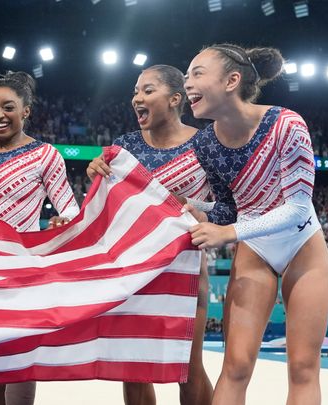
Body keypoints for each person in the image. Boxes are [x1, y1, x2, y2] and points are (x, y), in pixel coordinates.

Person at [183, 43, 328, 405]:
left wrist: (229, 233)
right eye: (186, 76)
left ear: (232, 80)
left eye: (197, 73)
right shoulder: (205, 143)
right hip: (256, 246)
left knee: (302, 367)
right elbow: (228, 210)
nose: (187, 84)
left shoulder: (286, 123)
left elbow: (296, 208)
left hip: (302, 243)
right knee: (235, 366)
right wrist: (191, 205)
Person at [86, 64, 217, 405]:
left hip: (185, 267)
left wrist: (200, 209)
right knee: (134, 368)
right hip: (134, 270)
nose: (136, 98)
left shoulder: (206, 142)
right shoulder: (124, 146)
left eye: (147, 90)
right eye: (135, 91)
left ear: (176, 99)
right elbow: (112, 209)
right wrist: (96, 175)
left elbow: (227, 206)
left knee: (187, 368)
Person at [0, 71, 80, 405]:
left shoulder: (44, 155)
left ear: (26, 111)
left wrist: (61, 221)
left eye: (8, 107)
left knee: (21, 357)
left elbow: (69, 210)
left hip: (25, 269)